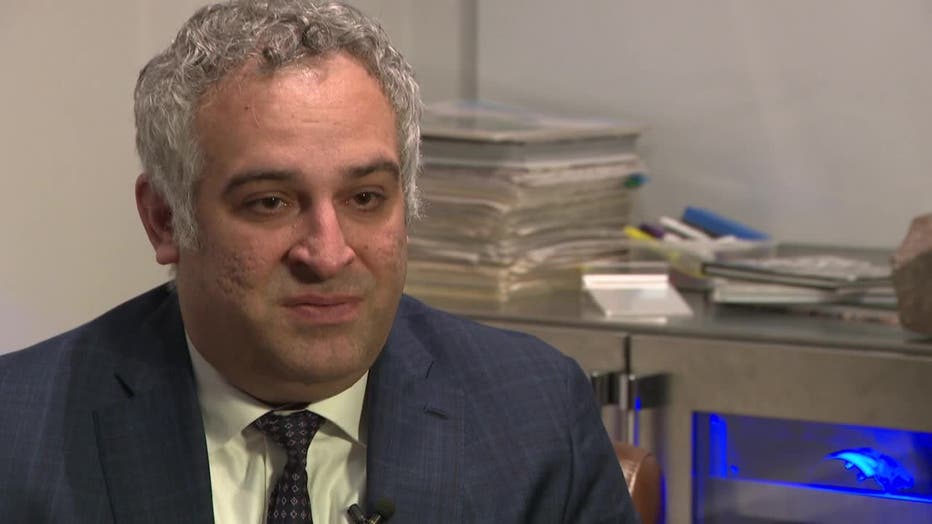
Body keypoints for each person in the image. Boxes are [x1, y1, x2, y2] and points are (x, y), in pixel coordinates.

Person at [0, 1, 638, 522]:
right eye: (270, 202)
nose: (328, 254)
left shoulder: (535, 414)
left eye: (365, 198)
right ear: (165, 219)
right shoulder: (18, 436)